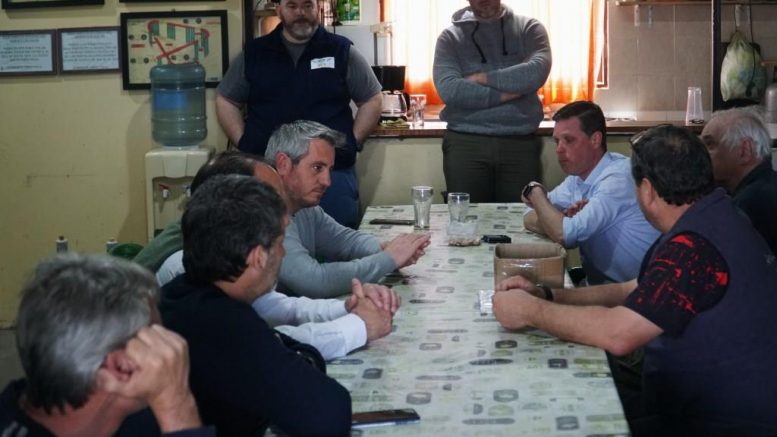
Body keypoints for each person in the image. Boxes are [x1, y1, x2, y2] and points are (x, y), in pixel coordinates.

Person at [493, 125, 777, 436]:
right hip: (698, 401)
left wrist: (530, 311)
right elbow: (633, 290)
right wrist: (546, 295)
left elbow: (620, 334)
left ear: (647, 190)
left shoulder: (693, 246)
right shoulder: (712, 215)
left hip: (718, 420)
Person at [160, 174, 389, 435]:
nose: (283, 253)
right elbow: (330, 413)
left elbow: (280, 340)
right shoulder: (227, 325)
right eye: (280, 243)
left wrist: (294, 355)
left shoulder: (177, 294)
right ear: (258, 257)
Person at [154, 151, 400, 360]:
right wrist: (358, 326)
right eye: (270, 198)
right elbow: (268, 346)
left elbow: (280, 308)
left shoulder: (229, 254)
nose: (283, 209)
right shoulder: (189, 269)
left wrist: (347, 308)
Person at [0, 253, 212, 437]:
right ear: (121, 366)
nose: (170, 347)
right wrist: (177, 406)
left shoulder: (133, 420)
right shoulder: (164, 411)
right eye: (157, 335)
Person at [215, 0, 383, 228]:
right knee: (267, 242)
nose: (301, 13)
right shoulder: (255, 53)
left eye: (307, 5)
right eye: (292, 6)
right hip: (268, 173)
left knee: (337, 242)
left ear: (318, 7)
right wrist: (244, 142)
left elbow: (372, 98)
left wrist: (352, 141)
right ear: (279, 9)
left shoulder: (341, 50)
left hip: (331, 176)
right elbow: (226, 99)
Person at [265, 120, 431, 298]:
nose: (327, 181)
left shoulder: (304, 206)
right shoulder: (264, 213)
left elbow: (345, 240)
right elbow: (316, 281)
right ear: (283, 164)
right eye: (317, 168)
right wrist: (389, 258)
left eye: (329, 170)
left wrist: (385, 248)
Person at [521, 101, 659, 284]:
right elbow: (528, 215)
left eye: (568, 140)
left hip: (638, 292)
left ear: (595, 140)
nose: (559, 149)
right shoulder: (577, 177)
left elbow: (564, 235)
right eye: (557, 141)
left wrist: (535, 192)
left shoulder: (618, 177)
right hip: (598, 284)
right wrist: (560, 221)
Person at [433, 0, 551, 203]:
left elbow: (535, 73)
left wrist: (481, 78)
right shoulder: (450, 38)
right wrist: (512, 91)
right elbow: (450, 90)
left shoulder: (529, 29)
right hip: (465, 143)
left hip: (520, 143)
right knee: (466, 217)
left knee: (521, 215)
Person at [700, 106, 777, 254]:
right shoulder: (767, 185)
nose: (701, 154)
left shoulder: (751, 202)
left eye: (710, 145)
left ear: (744, 151)